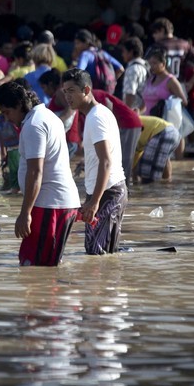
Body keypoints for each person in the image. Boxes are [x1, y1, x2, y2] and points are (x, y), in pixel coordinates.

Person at [0, 82, 80, 266]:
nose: (7, 119)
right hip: (56, 203)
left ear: (18, 105)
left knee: (33, 265)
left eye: (7, 112)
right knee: (44, 268)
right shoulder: (47, 116)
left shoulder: (34, 124)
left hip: (49, 205)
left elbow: (35, 171)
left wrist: (25, 213)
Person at [62, 68, 128, 255]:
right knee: (100, 254)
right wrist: (90, 199)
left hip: (109, 193)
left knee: (97, 256)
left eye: (72, 91)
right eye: (65, 91)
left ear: (86, 90)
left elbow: (105, 161)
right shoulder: (95, 114)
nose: (67, 96)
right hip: (104, 193)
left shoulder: (96, 117)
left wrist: (95, 201)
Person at [141, 47, 188, 115]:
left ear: (163, 64)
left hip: (162, 122)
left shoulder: (171, 81)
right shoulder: (150, 79)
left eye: (154, 63)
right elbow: (144, 105)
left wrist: (165, 104)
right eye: (150, 63)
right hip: (148, 122)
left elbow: (183, 102)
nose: (151, 66)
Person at [134, 116, 180, 183]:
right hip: (173, 132)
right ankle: (167, 186)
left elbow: (132, 164)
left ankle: (150, 191)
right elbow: (135, 161)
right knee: (164, 159)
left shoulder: (127, 132)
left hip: (162, 132)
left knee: (146, 174)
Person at [119, 37, 148, 111]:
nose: (122, 54)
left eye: (124, 51)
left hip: (135, 112)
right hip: (145, 109)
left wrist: (126, 113)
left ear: (131, 52)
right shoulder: (146, 65)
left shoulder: (132, 69)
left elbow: (130, 94)